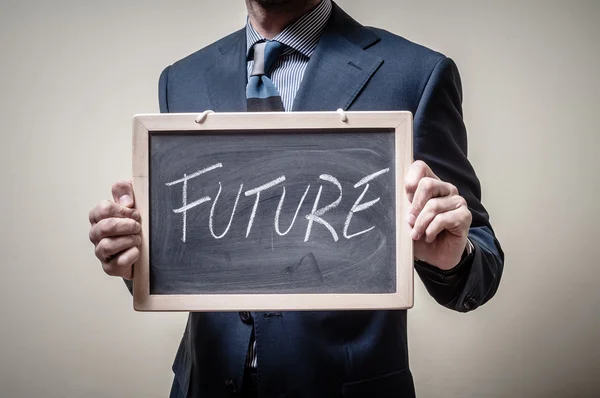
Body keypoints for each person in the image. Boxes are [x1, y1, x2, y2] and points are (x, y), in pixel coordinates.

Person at [88, 0, 504, 396]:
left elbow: (481, 255)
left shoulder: (414, 73)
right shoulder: (183, 78)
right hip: (206, 383)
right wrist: (137, 256)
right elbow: (185, 245)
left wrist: (455, 256)